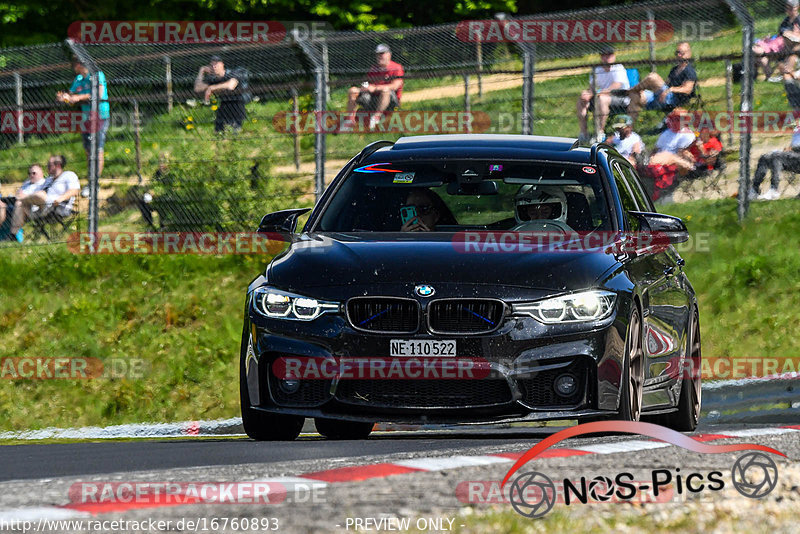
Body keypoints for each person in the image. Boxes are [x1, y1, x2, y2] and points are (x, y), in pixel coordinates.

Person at [56, 57, 110, 177]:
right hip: (87, 118)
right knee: (88, 149)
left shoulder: (97, 75)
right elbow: (71, 96)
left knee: (97, 148)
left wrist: (79, 98)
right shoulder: (78, 79)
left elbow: (99, 94)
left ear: (79, 64)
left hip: (100, 115)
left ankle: (95, 181)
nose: (73, 66)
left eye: (74, 64)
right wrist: (64, 97)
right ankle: (91, 178)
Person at [10, 156, 80, 239]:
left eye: (49, 165)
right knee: (19, 204)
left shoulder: (68, 175)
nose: (47, 167)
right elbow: (35, 191)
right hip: (42, 209)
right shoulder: (49, 179)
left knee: (40, 195)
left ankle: (21, 198)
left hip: (58, 208)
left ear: (58, 165)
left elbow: (75, 190)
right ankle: (13, 236)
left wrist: (61, 198)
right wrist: (23, 192)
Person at [627, 42, 697, 122]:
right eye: (677, 53)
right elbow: (666, 83)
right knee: (636, 95)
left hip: (674, 100)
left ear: (689, 54)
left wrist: (670, 90)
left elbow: (687, 89)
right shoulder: (674, 69)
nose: (679, 55)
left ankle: (630, 90)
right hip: (662, 97)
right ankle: (629, 129)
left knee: (653, 77)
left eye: (681, 53)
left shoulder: (689, 71)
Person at [576, 45, 630, 143]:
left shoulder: (618, 67)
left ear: (614, 56)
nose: (607, 58)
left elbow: (617, 85)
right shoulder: (597, 69)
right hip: (601, 96)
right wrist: (588, 94)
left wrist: (599, 92)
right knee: (582, 100)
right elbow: (592, 86)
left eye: (609, 55)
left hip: (621, 98)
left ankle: (600, 133)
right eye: (604, 55)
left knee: (602, 99)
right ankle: (584, 134)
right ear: (601, 57)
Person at [344, 44, 404, 131]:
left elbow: (395, 86)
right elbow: (367, 82)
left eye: (382, 53)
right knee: (352, 90)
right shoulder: (374, 68)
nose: (379, 56)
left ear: (389, 54)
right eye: (378, 54)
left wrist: (375, 88)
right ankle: (350, 120)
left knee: (386, 90)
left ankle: (376, 118)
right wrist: (364, 86)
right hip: (373, 97)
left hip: (391, 100)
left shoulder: (396, 67)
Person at [194, 55, 248, 133]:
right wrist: (201, 71)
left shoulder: (233, 73)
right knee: (217, 135)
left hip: (236, 110)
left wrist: (212, 88)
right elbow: (197, 88)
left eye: (216, 64)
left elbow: (230, 85)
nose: (214, 66)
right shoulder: (213, 79)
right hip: (222, 111)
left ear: (222, 64)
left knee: (233, 136)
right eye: (212, 65)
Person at [749, 123, 800, 200]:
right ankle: (754, 190)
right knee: (765, 157)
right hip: (792, 157)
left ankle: (774, 189)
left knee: (777, 157)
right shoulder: (797, 128)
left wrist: (793, 149)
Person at [753, 1, 800, 81]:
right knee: (759, 56)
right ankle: (768, 75)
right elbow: (780, 34)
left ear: (798, 7)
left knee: (758, 52)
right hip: (780, 46)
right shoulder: (785, 21)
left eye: (792, 7)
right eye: (788, 7)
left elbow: (795, 37)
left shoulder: (798, 20)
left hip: (790, 48)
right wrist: (770, 38)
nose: (789, 9)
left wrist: (791, 34)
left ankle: (790, 74)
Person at [7, 164, 49, 242]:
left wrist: (23, 197)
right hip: (24, 209)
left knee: (19, 204)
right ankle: (11, 236)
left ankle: (12, 235)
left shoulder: (44, 183)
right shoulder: (27, 183)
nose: (31, 175)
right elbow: (18, 194)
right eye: (29, 173)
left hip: (38, 210)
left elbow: (42, 198)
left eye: (34, 173)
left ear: (41, 173)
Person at [648, 109, 697, 176]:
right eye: (672, 120)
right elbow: (656, 149)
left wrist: (669, 156)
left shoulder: (688, 135)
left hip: (678, 161)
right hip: (662, 159)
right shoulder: (666, 133)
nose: (674, 122)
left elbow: (683, 153)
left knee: (669, 156)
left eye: (677, 120)